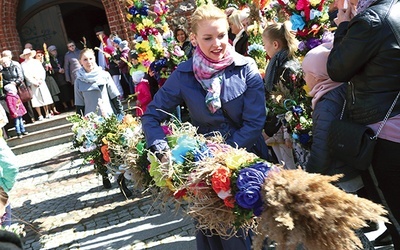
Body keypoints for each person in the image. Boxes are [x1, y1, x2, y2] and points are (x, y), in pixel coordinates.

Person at [141, 5, 269, 250]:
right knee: (218, 240)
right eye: (208, 38)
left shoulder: (246, 68)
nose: (217, 43)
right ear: (194, 39)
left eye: (221, 35)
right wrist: (161, 149)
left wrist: (223, 159)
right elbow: (151, 117)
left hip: (247, 165)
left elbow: (254, 123)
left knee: (251, 240)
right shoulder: (184, 75)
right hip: (205, 176)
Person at [327, 0, 400, 248]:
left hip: (383, 132)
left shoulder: (372, 20)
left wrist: (344, 25)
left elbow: (337, 68)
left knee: (393, 209)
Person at [74, 48, 124, 189]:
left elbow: (114, 97)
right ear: (80, 62)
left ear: (95, 59)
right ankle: (104, 175)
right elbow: (79, 105)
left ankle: (121, 180)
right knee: (98, 152)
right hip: (91, 122)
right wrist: (79, 126)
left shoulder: (104, 75)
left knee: (114, 149)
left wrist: (121, 115)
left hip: (108, 117)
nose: (88, 62)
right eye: (85, 59)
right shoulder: (78, 81)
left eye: (90, 58)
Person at [261, 21, 298, 169]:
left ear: (275, 45)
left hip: (285, 131)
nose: (265, 49)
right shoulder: (279, 64)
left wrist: (270, 130)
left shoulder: (284, 69)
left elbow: (287, 104)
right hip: (279, 128)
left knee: (291, 169)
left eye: (265, 45)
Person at [1, 50, 35, 123]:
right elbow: (2, 79)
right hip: (10, 88)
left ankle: (31, 117)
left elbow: (21, 76)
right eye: (4, 56)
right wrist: (10, 83)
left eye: (8, 55)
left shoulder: (15, 64)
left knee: (25, 101)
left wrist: (16, 82)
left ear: (10, 56)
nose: (6, 57)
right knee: (14, 104)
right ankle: (21, 119)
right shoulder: (1, 68)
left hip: (19, 87)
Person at [20, 48, 53, 120]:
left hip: (41, 81)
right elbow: (26, 75)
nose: (28, 56)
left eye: (28, 54)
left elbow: (42, 71)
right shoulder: (23, 64)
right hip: (32, 83)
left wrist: (41, 79)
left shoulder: (36, 62)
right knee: (35, 99)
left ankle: (47, 113)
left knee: (45, 97)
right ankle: (40, 115)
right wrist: (34, 82)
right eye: (26, 55)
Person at [48, 45, 75, 111]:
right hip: (58, 78)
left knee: (69, 90)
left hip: (65, 76)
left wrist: (64, 69)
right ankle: (65, 106)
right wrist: (57, 70)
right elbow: (50, 70)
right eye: (52, 51)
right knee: (62, 93)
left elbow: (66, 63)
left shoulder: (61, 57)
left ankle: (72, 104)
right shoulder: (49, 60)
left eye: (55, 50)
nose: (54, 52)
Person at [35, 50, 61, 116]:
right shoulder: (36, 64)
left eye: (41, 55)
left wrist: (49, 68)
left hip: (48, 79)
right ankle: (49, 110)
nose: (40, 57)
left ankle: (54, 109)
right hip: (42, 81)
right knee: (46, 96)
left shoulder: (46, 62)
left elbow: (52, 72)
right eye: (38, 56)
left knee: (52, 95)